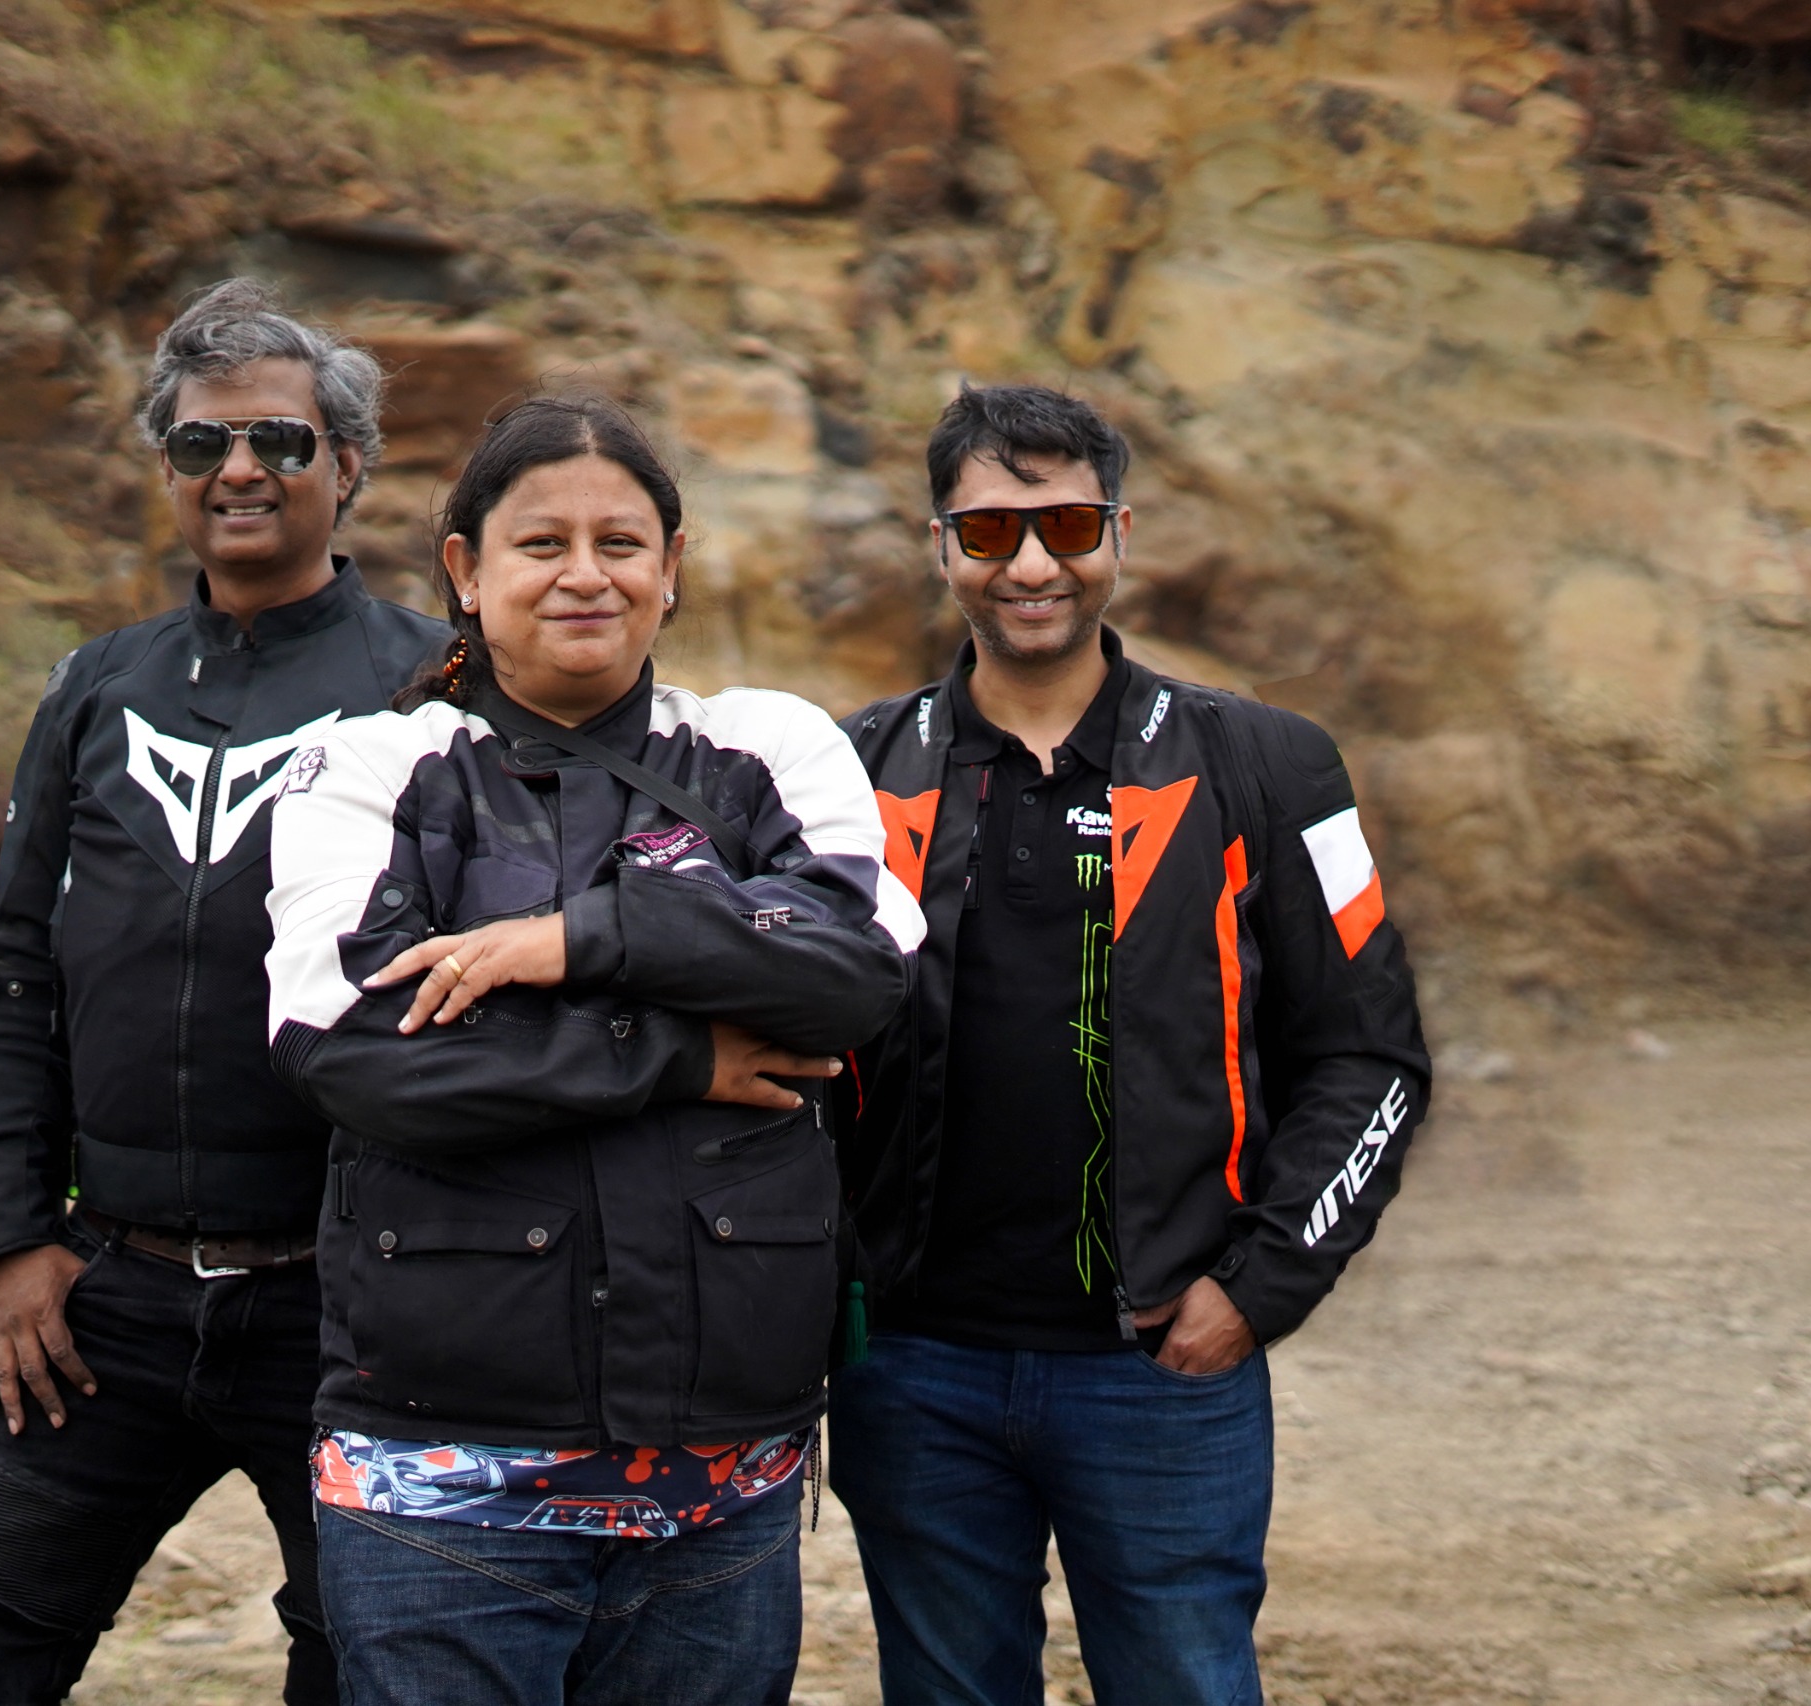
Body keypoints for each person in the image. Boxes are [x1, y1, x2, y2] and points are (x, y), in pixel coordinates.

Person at [260, 394, 925, 1706]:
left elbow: (855, 974)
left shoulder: (771, 745)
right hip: (440, 1489)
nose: (585, 574)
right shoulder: (369, 770)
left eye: (620, 542)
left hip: (723, 1486)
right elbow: (354, 1050)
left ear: (671, 567)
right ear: (465, 569)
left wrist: (579, 938)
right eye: (541, 542)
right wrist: (678, 1058)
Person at [827, 383, 1432, 1706]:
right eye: (990, 532)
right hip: (915, 1370)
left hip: (1162, 1365)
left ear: (1119, 533)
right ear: (941, 547)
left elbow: (1372, 1059)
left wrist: (1259, 1287)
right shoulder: (846, 773)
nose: (1031, 564)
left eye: (1066, 525)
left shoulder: (1273, 765)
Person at [0, 279, 446, 1705]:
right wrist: (5, 1240)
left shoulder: (434, 686)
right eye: (202, 443)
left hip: (354, 1303)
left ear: (348, 465)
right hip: (105, 1300)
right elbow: (14, 972)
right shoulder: (97, 687)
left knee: (368, 1672)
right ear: (169, 469)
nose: (239, 469)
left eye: (279, 440)